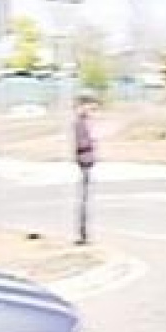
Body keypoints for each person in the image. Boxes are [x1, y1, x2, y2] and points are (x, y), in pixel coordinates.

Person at [73, 97, 95, 245]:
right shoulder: (80, 124)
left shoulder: (84, 123)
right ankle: (82, 234)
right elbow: (82, 145)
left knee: (85, 200)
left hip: (87, 161)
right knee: (83, 201)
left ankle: (84, 233)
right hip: (84, 162)